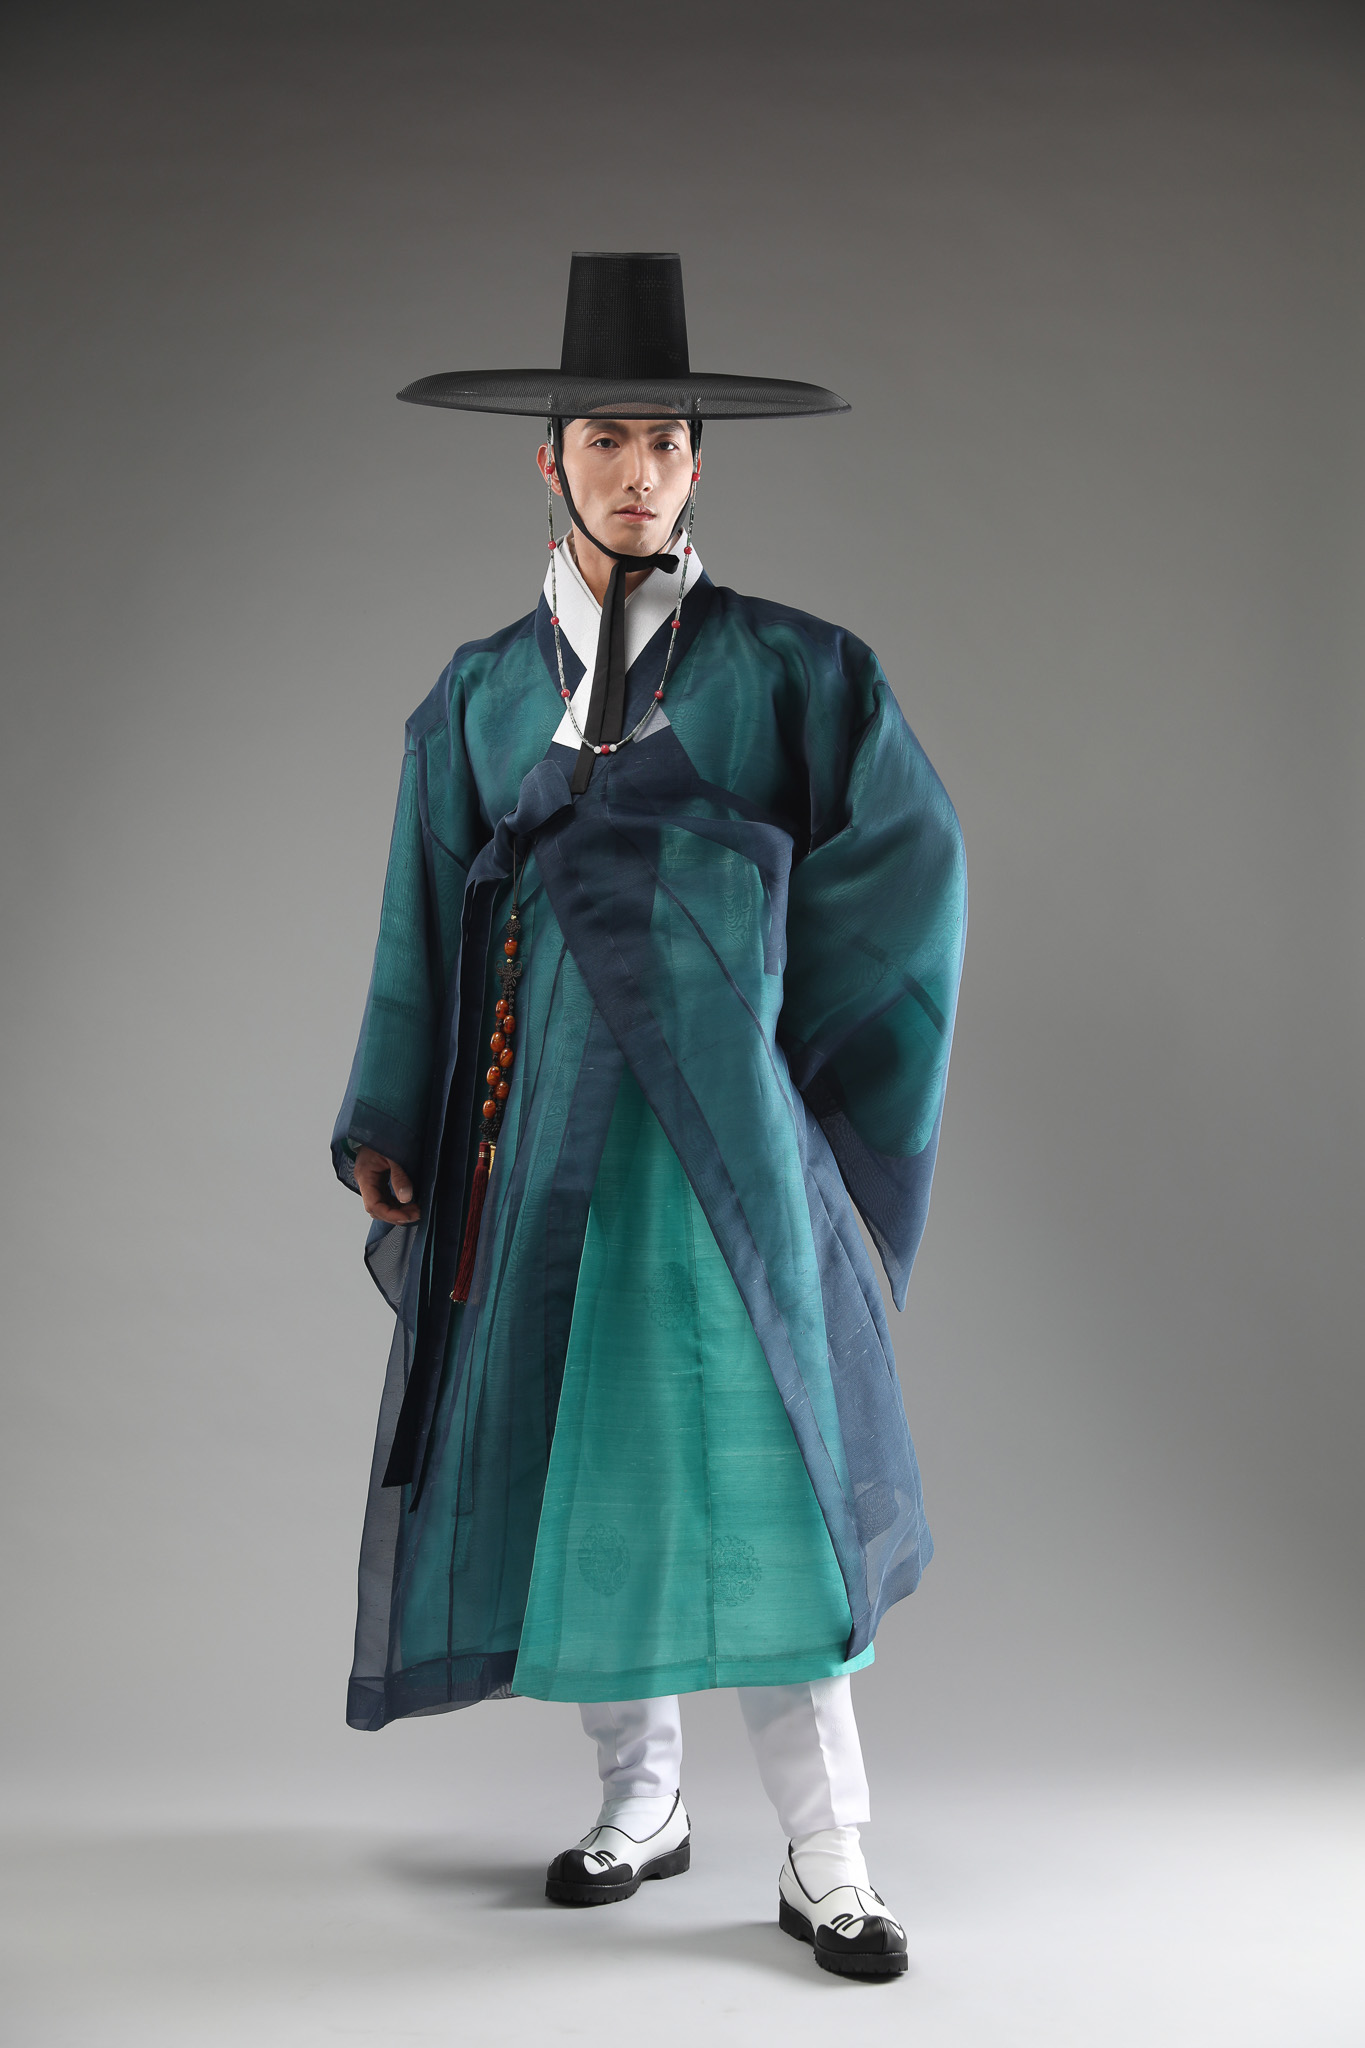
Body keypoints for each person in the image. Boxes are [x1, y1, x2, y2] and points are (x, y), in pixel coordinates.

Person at [333, 252, 966, 1981]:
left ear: (697, 465)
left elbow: (907, 874)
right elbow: (421, 919)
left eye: (668, 443)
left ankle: (829, 1853)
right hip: (540, 1151)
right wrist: (391, 1115)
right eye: (607, 439)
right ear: (547, 459)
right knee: (581, 1469)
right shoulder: (478, 693)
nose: (638, 472)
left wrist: (780, 1051)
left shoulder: (797, 674)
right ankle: (643, 1797)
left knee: (773, 1480)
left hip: (725, 1154)